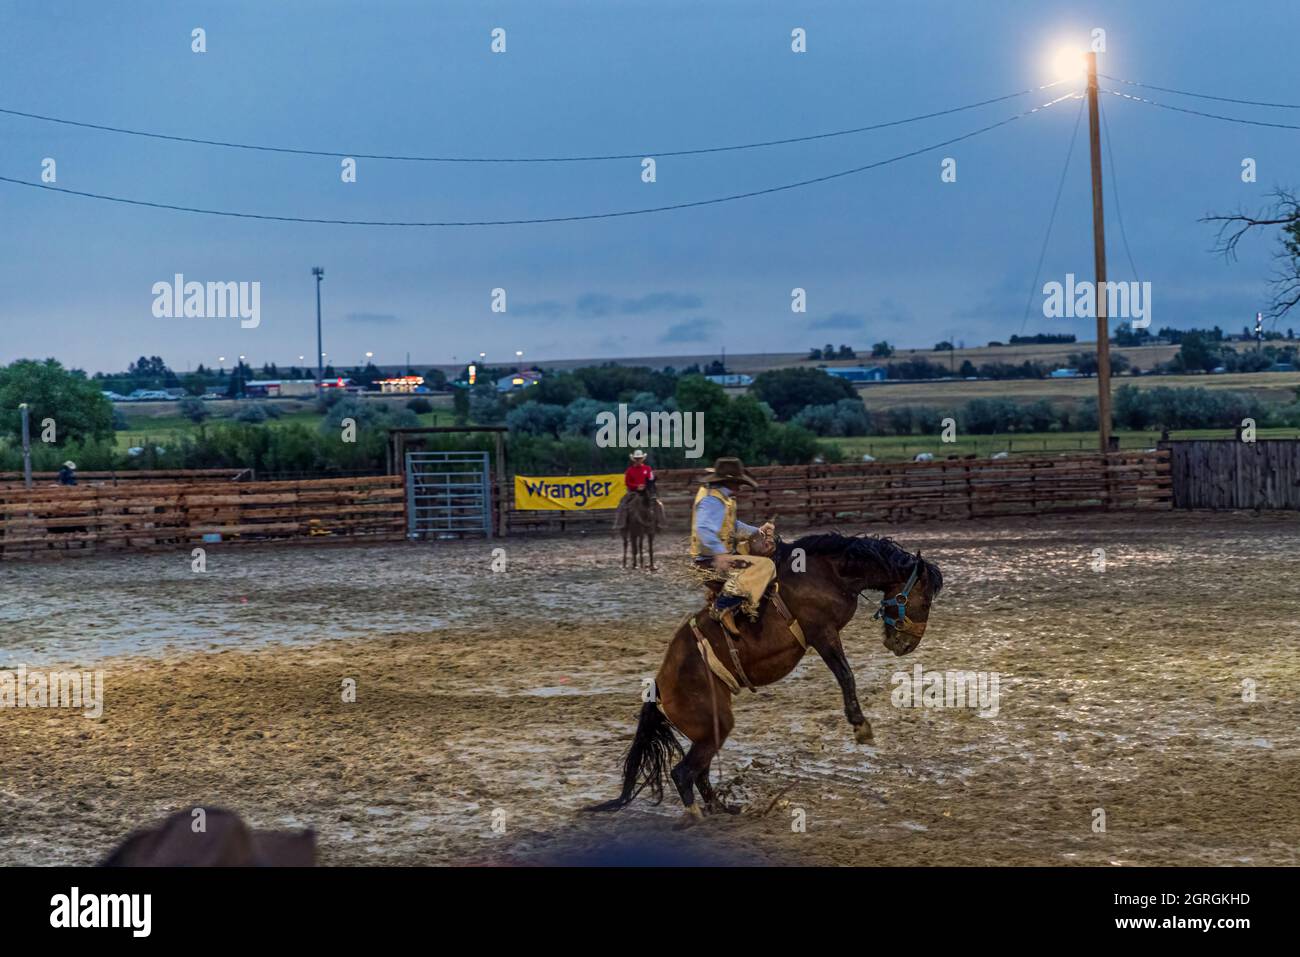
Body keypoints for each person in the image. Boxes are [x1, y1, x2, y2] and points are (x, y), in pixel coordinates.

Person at [689, 457, 776, 633]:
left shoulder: (721, 498)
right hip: (709, 561)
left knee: (755, 557)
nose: (740, 487)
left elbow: (733, 525)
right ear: (730, 482)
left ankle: (734, 602)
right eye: (738, 483)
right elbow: (704, 529)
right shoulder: (712, 501)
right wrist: (721, 554)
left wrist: (756, 532)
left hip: (712, 556)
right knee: (765, 566)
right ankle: (723, 605)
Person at [614, 449, 664, 530]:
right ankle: (621, 524)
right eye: (637, 458)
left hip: (646, 491)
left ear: (642, 459)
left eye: (639, 458)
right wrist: (637, 486)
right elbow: (627, 483)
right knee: (623, 504)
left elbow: (651, 480)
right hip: (633, 492)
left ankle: (660, 523)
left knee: (658, 504)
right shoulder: (629, 470)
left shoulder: (647, 469)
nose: (638, 460)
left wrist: (649, 484)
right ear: (634, 459)